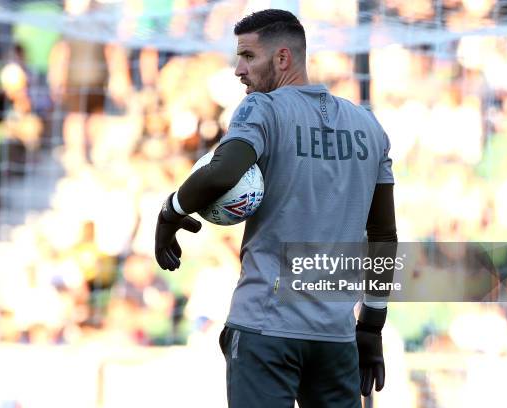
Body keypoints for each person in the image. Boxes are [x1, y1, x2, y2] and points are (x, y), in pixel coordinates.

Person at [154, 9, 397, 408]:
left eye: (248, 56)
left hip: (266, 327)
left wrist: (171, 211)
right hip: (335, 336)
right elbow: (385, 237)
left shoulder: (263, 109)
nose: (238, 70)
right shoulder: (368, 126)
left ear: (282, 58)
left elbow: (221, 173)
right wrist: (372, 324)